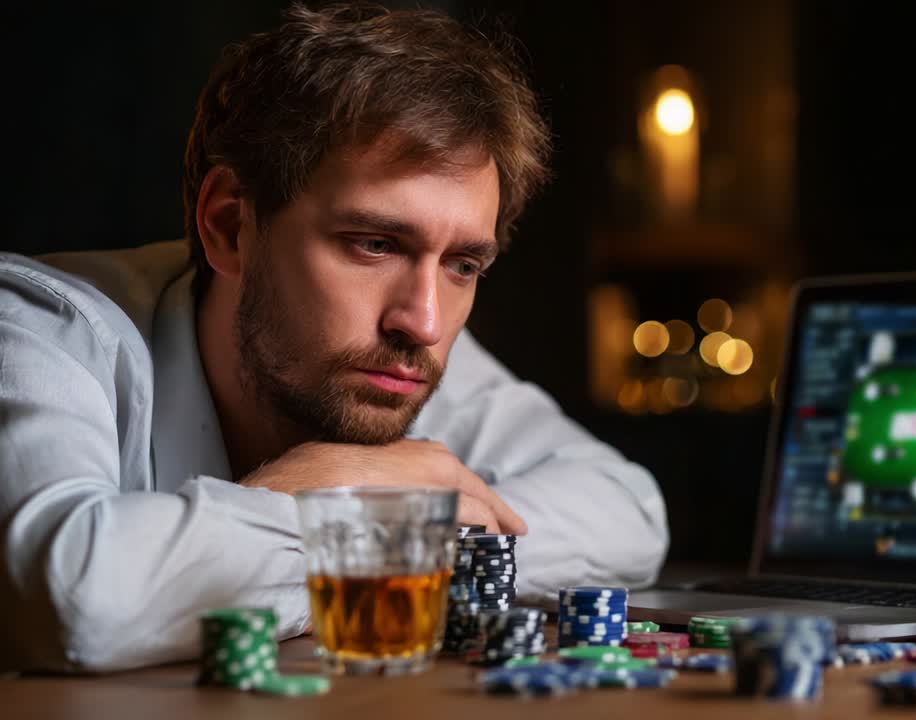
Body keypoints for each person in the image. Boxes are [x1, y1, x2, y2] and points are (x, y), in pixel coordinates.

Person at [0, 2, 668, 673]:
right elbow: (71, 601)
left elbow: (630, 508)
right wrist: (327, 487)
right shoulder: (37, 324)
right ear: (230, 226)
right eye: (375, 244)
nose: (425, 321)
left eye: (463, 264)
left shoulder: (392, 353)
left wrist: (378, 513)